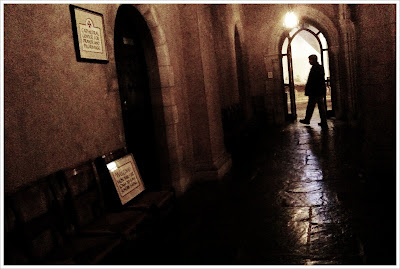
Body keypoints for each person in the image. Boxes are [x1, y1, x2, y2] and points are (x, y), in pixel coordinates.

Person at [299, 54, 328, 128]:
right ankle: (323, 121)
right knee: (320, 107)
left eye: (310, 60)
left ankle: (307, 119)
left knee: (311, 106)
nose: (309, 61)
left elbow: (313, 81)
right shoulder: (319, 67)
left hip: (315, 91)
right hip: (318, 91)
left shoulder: (315, 68)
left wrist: (309, 90)